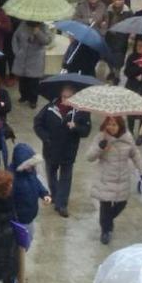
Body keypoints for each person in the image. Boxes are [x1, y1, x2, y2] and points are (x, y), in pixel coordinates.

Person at [33, 85, 91, 217]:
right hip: (51, 149)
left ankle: (61, 204)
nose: (66, 100)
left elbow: (86, 131)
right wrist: (45, 138)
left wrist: (76, 127)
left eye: (70, 97)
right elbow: (37, 123)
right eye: (64, 96)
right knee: (51, 173)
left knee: (66, 176)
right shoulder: (49, 108)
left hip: (68, 150)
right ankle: (55, 194)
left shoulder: (81, 111)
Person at [87, 116, 142, 245]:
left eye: (114, 125)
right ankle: (105, 231)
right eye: (109, 124)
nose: (111, 127)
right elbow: (89, 157)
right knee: (105, 206)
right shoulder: (101, 137)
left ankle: (107, 221)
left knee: (121, 204)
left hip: (122, 178)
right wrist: (100, 148)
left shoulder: (128, 138)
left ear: (120, 126)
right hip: (105, 178)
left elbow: (136, 155)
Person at [7, 143, 50, 283]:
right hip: (18, 223)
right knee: (16, 254)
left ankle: (18, 272)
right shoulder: (11, 179)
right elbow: (8, 202)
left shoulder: (29, 173)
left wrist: (44, 193)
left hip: (29, 220)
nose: (32, 167)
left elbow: (37, 184)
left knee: (24, 249)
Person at [12, 21, 52, 109]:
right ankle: (24, 96)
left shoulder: (43, 27)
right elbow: (15, 38)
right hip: (22, 57)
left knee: (34, 81)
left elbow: (47, 40)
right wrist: (17, 51)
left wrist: (38, 32)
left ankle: (33, 100)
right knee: (23, 79)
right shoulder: (22, 24)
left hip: (36, 58)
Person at [106, 0, 133, 84]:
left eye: (121, 0)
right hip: (109, 37)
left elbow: (131, 25)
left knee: (119, 58)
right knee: (108, 56)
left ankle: (116, 75)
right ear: (113, 0)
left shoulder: (128, 12)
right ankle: (111, 71)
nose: (118, 2)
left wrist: (130, 36)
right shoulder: (108, 10)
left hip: (121, 38)